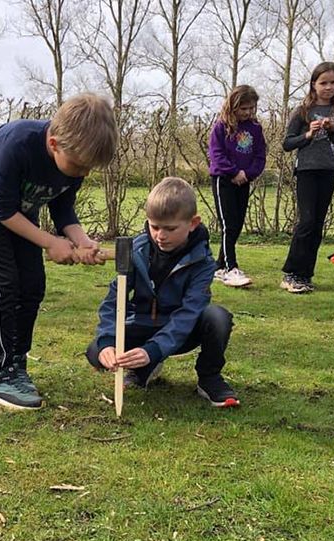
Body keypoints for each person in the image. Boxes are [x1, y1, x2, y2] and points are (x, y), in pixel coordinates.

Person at [0, 93, 118, 410]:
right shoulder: (16, 144)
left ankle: (18, 363)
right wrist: (51, 243)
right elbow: (3, 211)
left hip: (23, 212)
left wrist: (81, 240)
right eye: (79, 167)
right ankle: (0, 372)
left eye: (88, 169)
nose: (83, 174)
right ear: (55, 144)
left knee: (33, 286)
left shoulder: (74, 160)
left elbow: (62, 207)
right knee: (6, 286)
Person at [86, 177, 240, 408]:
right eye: (154, 226)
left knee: (217, 318)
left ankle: (209, 378)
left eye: (170, 229)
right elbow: (113, 301)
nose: (160, 235)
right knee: (94, 351)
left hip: (182, 332)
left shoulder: (203, 262)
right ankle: (141, 369)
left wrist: (155, 349)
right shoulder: (133, 251)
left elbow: (189, 313)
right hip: (141, 325)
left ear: (193, 223)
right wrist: (108, 342)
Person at [281, 62, 334, 293]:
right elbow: (287, 143)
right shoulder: (302, 111)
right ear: (314, 84)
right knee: (307, 222)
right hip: (306, 171)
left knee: (317, 225)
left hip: (329, 170)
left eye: (333, 82)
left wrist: (332, 130)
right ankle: (291, 273)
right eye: (323, 83)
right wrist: (308, 134)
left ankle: (305, 274)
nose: (328, 87)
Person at [209, 85, 266, 288]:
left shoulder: (255, 129)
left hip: (244, 181)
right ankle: (230, 267)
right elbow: (216, 155)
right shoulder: (220, 128)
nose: (248, 112)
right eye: (244, 108)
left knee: (237, 225)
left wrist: (247, 174)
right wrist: (233, 172)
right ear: (233, 107)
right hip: (223, 180)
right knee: (228, 224)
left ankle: (218, 266)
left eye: (252, 108)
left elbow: (260, 156)